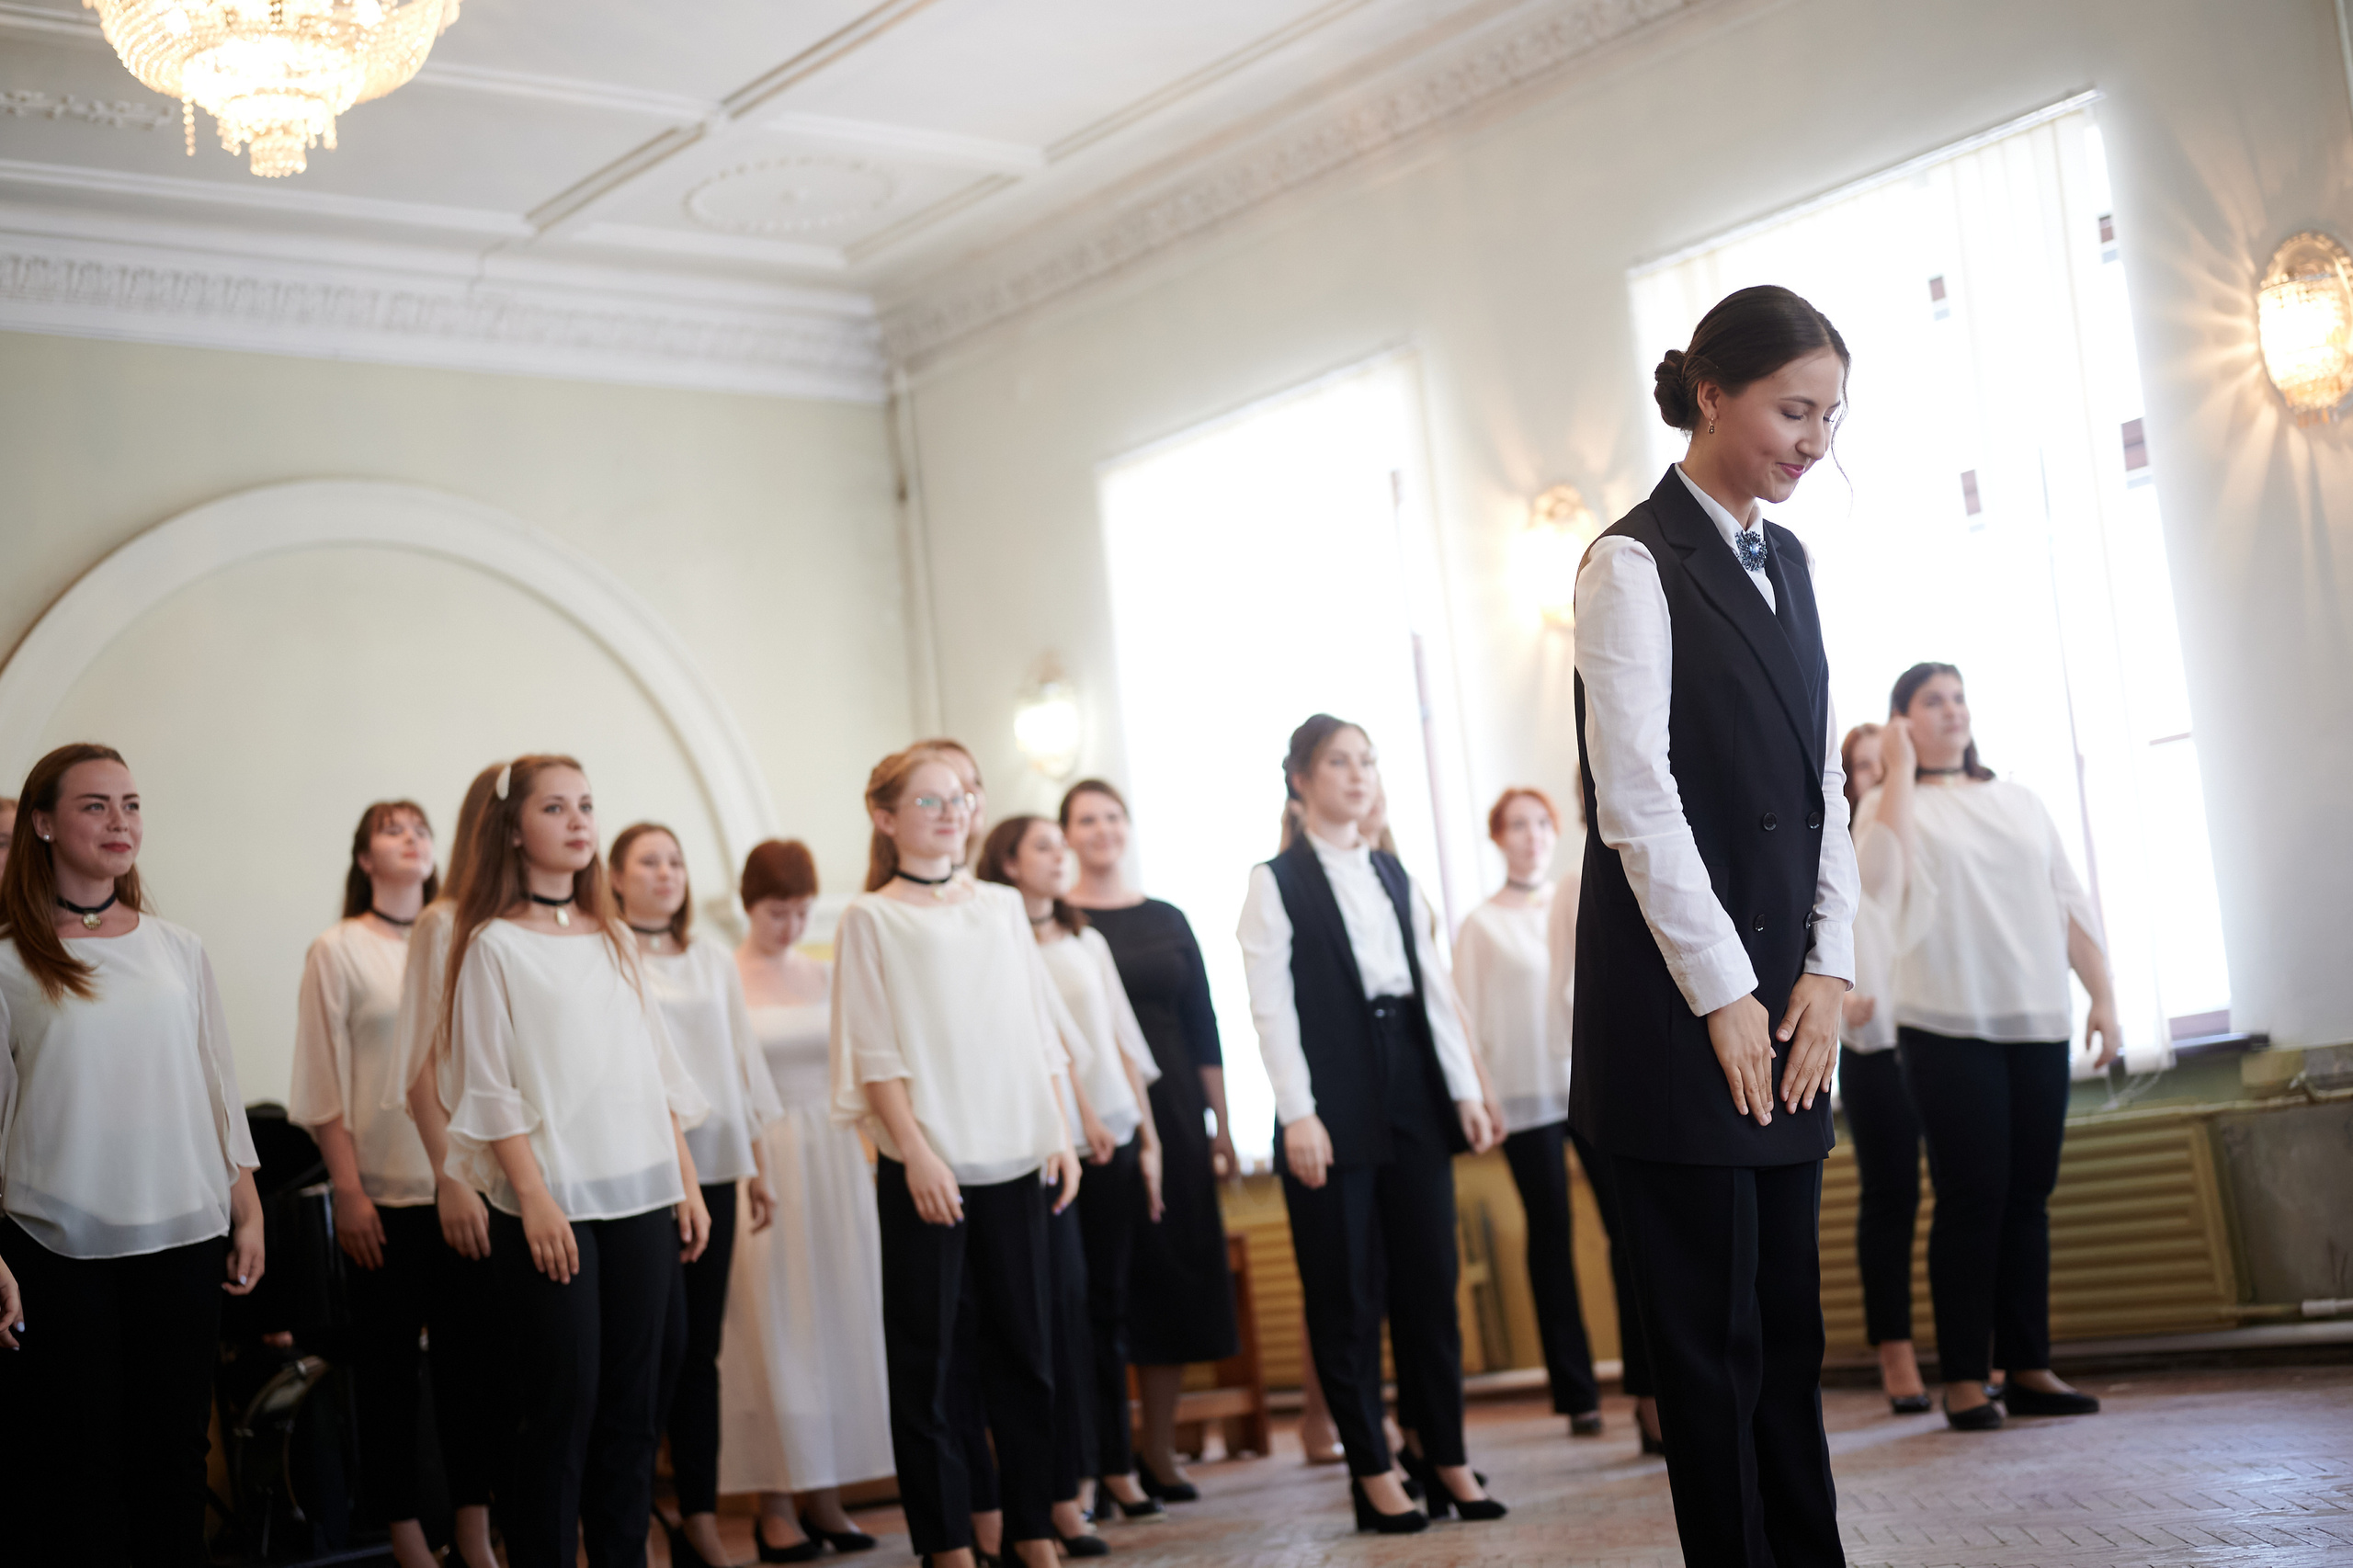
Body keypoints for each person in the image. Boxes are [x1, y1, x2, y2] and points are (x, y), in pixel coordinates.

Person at [1572, 284, 1858, 1565]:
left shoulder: (1787, 558)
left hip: (1789, 1011)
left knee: (1789, 1340)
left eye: (1829, 417)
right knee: (1712, 1351)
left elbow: (1820, 787)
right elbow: (1635, 796)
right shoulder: (1630, 561)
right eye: (1794, 410)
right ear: (1711, 395)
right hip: (1683, 1013)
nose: (1814, 441)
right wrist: (1725, 990)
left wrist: (1831, 969)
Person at [440, 756, 714, 1568]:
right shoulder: (491, 945)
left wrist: (686, 1183)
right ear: (515, 831)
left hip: (641, 1193)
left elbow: (656, 1073)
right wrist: (534, 1200)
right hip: (552, 1202)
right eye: (556, 808)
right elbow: (489, 1093)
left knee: (634, 1410)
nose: (578, 821)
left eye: (586, 805)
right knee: (563, 1404)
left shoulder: (618, 938)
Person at [0, 743, 267, 1565]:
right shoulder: (9, 960)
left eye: (132, 804)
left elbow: (218, 1085)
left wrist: (247, 1205)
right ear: (41, 824)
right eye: (95, 805)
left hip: (182, 1238)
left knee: (175, 1457)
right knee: (78, 1465)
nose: (120, 822)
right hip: (57, 1246)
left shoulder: (178, 948)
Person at [1237, 714, 1504, 1535]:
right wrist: (1299, 1116)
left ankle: (1443, 1452)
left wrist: (1461, 1090)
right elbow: (1271, 1010)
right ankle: (1372, 1467)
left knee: (1430, 1282)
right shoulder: (1274, 881)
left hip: (1412, 1080)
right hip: (1332, 1091)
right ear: (1300, 780)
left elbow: (1432, 986)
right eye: (1337, 763)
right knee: (1346, 1292)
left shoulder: (1395, 873)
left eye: (1367, 761)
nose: (1357, 775)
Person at [832, 748, 1083, 1568]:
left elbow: (1035, 1026)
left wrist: (1058, 1129)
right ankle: (945, 1542)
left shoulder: (1005, 907)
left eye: (962, 798)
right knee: (929, 1363)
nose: (951, 812)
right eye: (930, 801)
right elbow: (876, 1054)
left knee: (1027, 1355)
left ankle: (1032, 1529)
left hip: (1016, 1151)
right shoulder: (871, 917)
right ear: (886, 816)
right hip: (929, 1163)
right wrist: (913, 1155)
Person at [1865, 664, 2120, 1430]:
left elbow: (2069, 899)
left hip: (2035, 1020)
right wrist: (1899, 773)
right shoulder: (1887, 804)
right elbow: (1880, 883)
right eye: (1931, 701)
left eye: (1958, 698)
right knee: (1971, 1198)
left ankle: (2030, 1364)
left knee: (2026, 1199)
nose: (1952, 711)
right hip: (1946, 1025)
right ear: (1902, 722)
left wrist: (2102, 994)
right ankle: (1968, 1380)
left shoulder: (2018, 800)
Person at [289, 800, 495, 1568]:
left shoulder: (462, 936)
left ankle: (474, 1534)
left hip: (470, 1191)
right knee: (386, 1377)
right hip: (382, 1195)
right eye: (391, 829)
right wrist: (348, 1190)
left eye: (420, 828)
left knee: (472, 1371)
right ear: (364, 859)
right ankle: (407, 1539)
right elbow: (321, 1080)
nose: (410, 839)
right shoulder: (338, 949)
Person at [981, 813, 1169, 1542]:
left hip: (1113, 1134)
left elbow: (1123, 1040)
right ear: (1007, 861)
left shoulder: (1087, 939)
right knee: (1057, 1311)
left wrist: (1148, 1140)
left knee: (1110, 1310)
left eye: (1064, 848)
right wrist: (1077, 1118)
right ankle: (1074, 1477)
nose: (1062, 858)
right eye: (1046, 848)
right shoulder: (994, 941)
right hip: (1046, 1145)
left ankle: (1116, 1466)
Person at [1060, 778, 1239, 1505]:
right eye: (1085, 819)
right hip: (1094, 1121)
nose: (1101, 829)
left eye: (1112, 816)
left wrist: (1221, 1124)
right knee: (1103, 1288)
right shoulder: (1058, 921)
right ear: (1066, 834)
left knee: (1172, 1283)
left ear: (1127, 828)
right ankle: (1104, 1455)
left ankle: (1160, 1449)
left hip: (1175, 1119)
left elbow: (1204, 1027)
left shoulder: (1168, 917)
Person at [609, 823, 784, 1568]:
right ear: (615, 877)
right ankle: (637, 1515)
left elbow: (743, 1063)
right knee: (652, 1347)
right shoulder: (606, 952)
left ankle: (702, 1515)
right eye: (649, 861)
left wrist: (760, 1165)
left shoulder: (710, 957)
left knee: (699, 1352)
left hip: (713, 1164)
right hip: (642, 1174)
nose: (666, 873)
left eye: (676, 860)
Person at [720, 838, 893, 1561]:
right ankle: (776, 1502)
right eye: (775, 911)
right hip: (765, 1154)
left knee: (835, 1317)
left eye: (799, 912)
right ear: (748, 904)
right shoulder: (725, 977)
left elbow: (854, 1067)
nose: (789, 926)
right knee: (775, 1327)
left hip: (831, 1151)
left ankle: (827, 1494)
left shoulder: (822, 977)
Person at [378, 763, 505, 1568]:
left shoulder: (558, 923)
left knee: (512, 1377)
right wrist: (451, 1176)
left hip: (544, 1186)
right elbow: (420, 1066)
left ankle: (500, 1529)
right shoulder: (444, 921)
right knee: (456, 1368)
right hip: (458, 1184)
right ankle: (449, 1531)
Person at [1452, 786, 1606, 1438]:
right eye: (1517, 825)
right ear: (1498, 838)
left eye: (1541, 823)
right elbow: (1465, 1021)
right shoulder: (1480, 925)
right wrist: (1483, 1097)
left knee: (1626, 1230)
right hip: (1524, 1098)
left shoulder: (1578, 902)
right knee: (1551, 1234)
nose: (1532, 835)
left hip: (1593, 1087)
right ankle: (1578, 1394)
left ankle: (1653, 1391)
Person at [1836, 722, 1931, 1415]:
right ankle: (1894, 1353)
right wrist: (1840, 1002)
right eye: (1864, 767)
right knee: (1890, 1199)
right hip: (1873, 1048)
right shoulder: (1843, 844)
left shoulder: (1931, 832)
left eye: (1886, 764)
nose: (1877, 775)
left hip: (1942, 1035)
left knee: (1964, 1197)